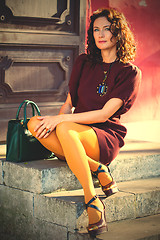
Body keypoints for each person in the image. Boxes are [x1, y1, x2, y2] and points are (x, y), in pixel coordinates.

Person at [28, 8, 141, 237]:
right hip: (74, 130)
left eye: (107, 29)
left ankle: (92, 199)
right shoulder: (83, 62)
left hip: (104, 135)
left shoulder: (130, 72)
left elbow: (102, 115)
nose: (101, 34)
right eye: (96, 29)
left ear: (118, 33)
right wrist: (57, 119)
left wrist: (60, 121)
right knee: (33, 123)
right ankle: (97, 168)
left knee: (65, 128)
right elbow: (69, 103)